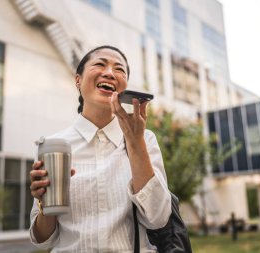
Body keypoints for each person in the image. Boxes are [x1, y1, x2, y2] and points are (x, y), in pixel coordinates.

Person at [29, 45, 171, 252]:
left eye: (119, 69)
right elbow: (43, 239)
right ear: (78, 80)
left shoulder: (145, 140)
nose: (109, 73)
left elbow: (158, 218)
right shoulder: (53, 145)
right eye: (100, 64)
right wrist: (46, 203)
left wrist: (135, 142)